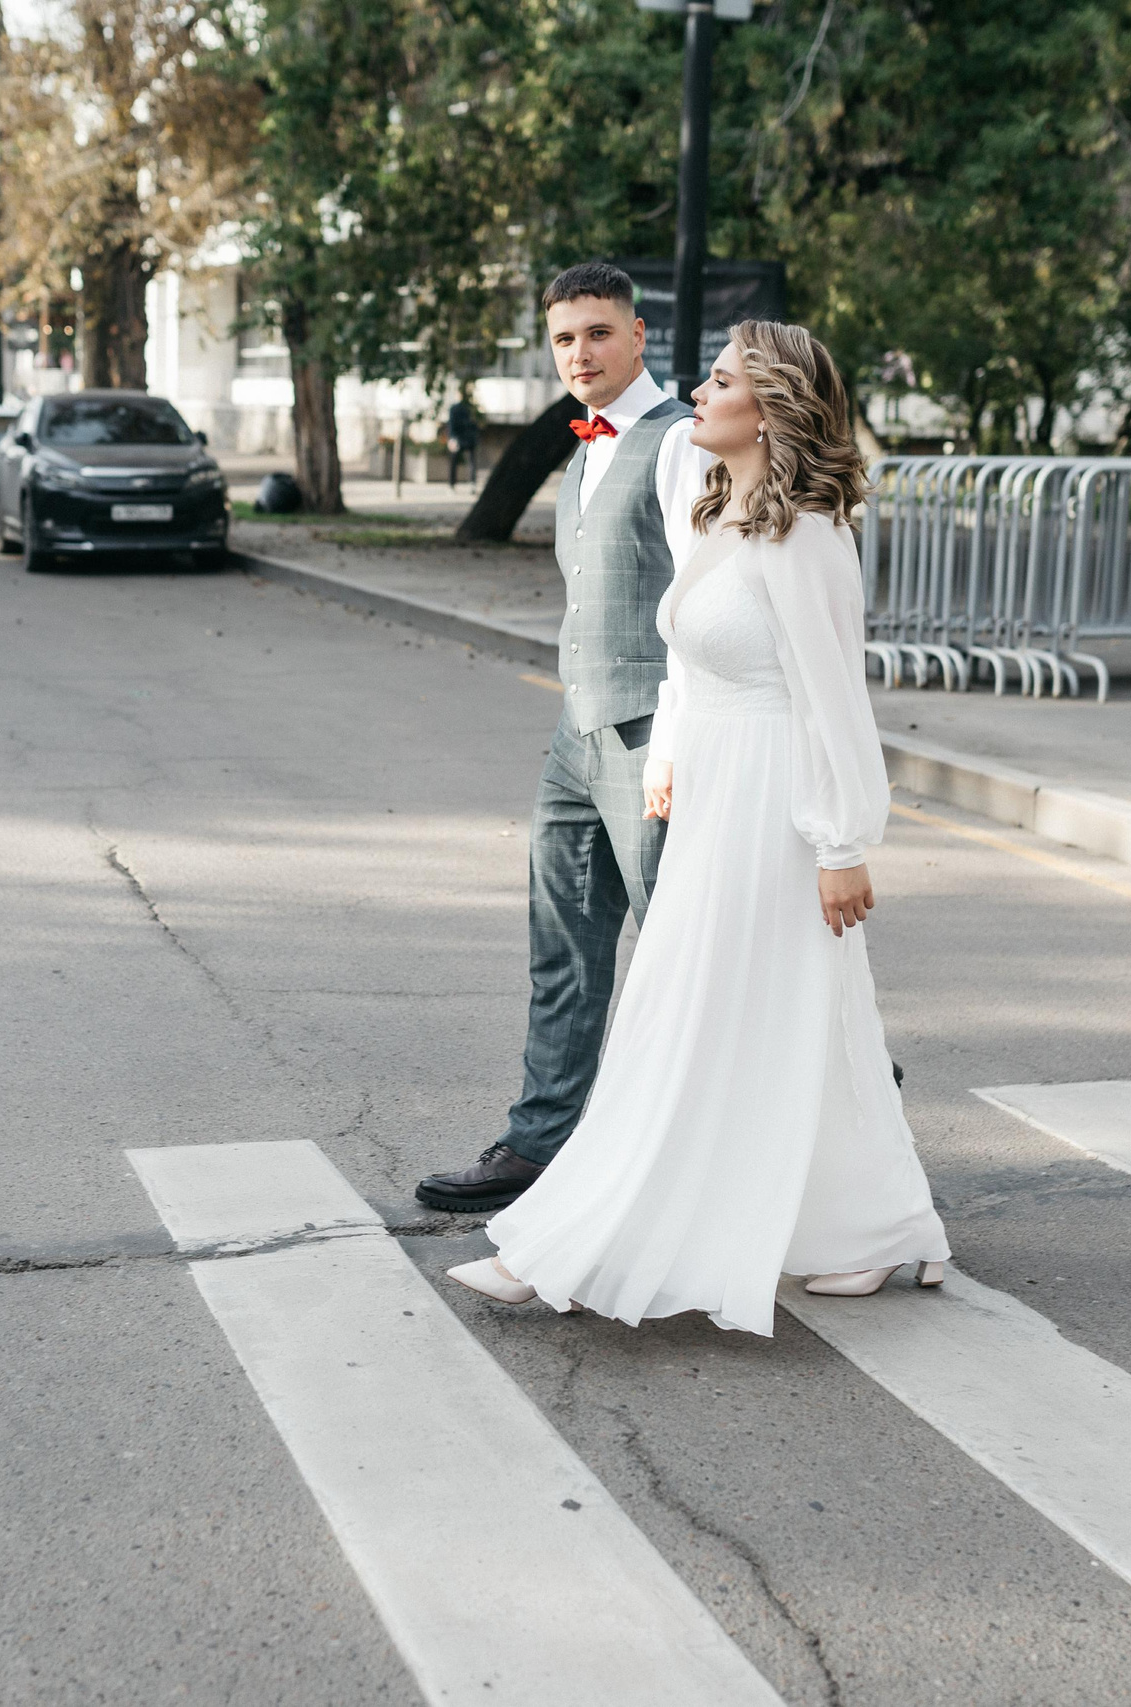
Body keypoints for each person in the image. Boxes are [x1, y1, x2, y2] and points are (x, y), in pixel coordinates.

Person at [447, 321, 949, 1334]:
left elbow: (832, 703)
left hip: (775, 809)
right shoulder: (722, 512)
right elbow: (692, 660)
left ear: (769, 410)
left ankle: (577, 1244)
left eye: (719, 381)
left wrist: (841, 843)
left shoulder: (809, 535)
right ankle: (873, 1228)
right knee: (794, 1017)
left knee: (696, 1013)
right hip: (717, 794)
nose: (698, 393)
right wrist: (670, 752)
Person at [415, 262, 713, 1215]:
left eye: (597, 332)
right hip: (576, 732)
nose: (579, 353)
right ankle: (540, 1143)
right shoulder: (584, 450)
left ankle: (835, 1106)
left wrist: (674, 743)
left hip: (654, 734)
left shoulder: (681, 443)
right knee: (564, 949)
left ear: (638, 335)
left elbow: (709, 601)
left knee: (695, 949)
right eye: (563, 339)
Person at [445, 395, 482, 488]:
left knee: (468, 461)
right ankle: (456, 483)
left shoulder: (468, 408)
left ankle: (468, 483)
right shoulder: (465, 408)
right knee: (465, 461)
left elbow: (452, 425)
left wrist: (452, 438)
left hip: (465, 438)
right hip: (462, 438)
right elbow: (452, 424)